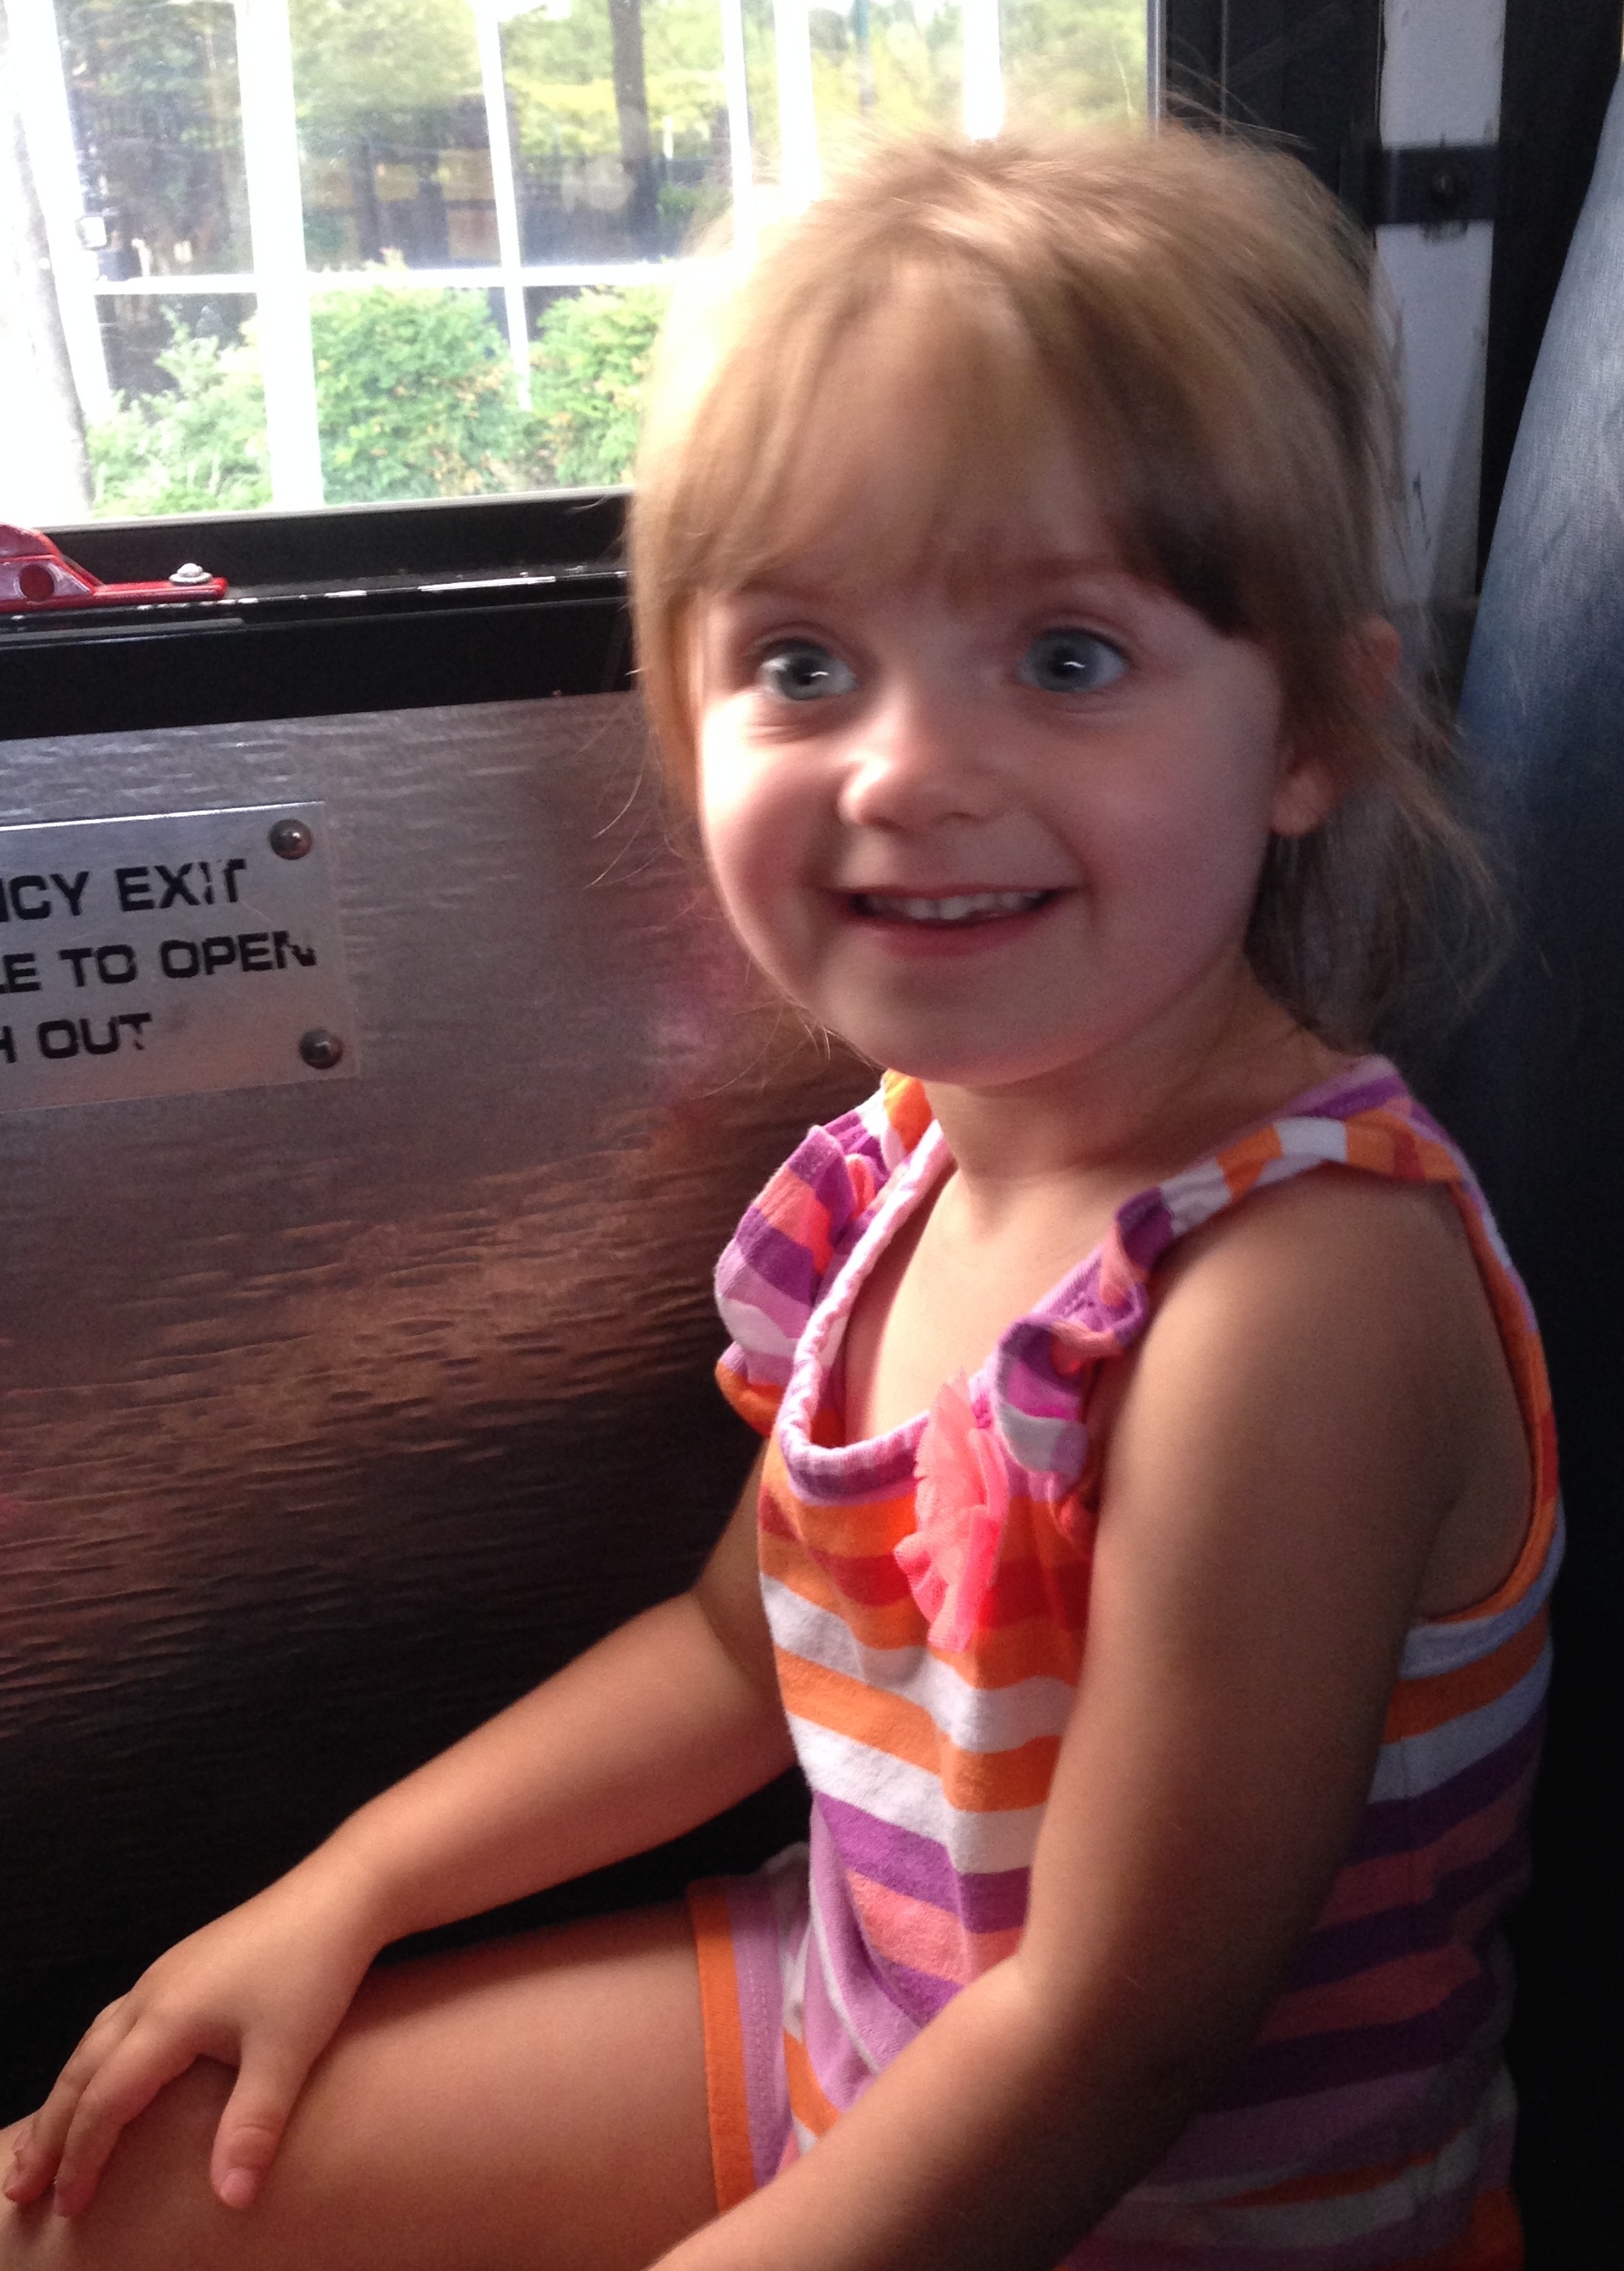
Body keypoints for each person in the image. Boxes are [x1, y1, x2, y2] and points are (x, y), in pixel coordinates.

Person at [0, 129, 1556, 2271]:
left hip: (1175, 2206)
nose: (904, 770)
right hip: (853, 2007)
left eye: (1068, 658)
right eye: (804, 666)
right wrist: (340, 1894)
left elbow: (1111, 2035)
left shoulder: (1285, 1301)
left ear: (1303, 734)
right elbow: (735, 1648)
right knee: (96, 2204)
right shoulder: (902, 1165)